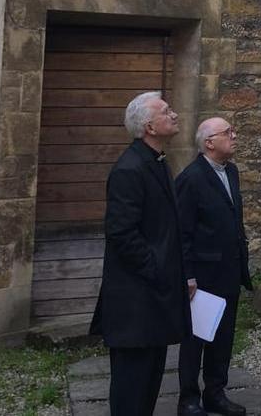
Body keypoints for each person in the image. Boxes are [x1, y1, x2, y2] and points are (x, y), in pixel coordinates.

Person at [89, 91, 189, 416]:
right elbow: (121, 233)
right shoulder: (129, 169)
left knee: (149, 384)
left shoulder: (157, 162)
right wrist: (157, 269)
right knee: (131, 389)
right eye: (166, 111)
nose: (174, 114)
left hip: (153, 298)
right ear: (149, 127)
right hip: (136, 301)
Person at [176, 117, 253, 416]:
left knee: (223, 338)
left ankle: (215, 393)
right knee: (196, 339)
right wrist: (187, 275)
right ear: (209, 143)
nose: (235, 135)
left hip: (229, 271)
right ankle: (188, 399)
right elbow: (182, 233)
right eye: (228, 132)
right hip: (203, 275)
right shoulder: (191, 179)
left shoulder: (230, 171)